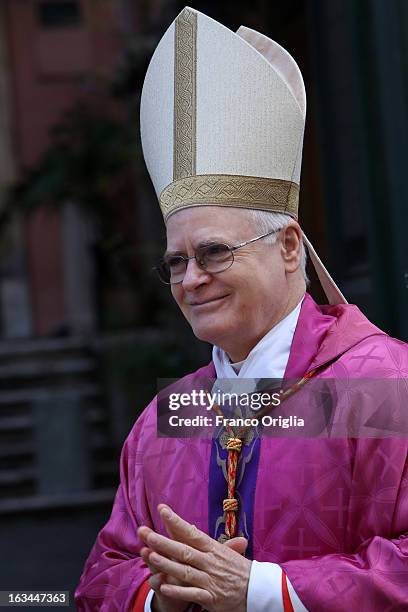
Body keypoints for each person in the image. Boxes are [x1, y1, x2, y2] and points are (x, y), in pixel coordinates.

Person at [75, 7, 408, 611]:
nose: (192, 280)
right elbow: (101, 576)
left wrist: (262, 591)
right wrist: (155, 598)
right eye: (176, 262)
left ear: (287, 247)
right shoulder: (167, 417)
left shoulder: (384, 386)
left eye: (214, 252)